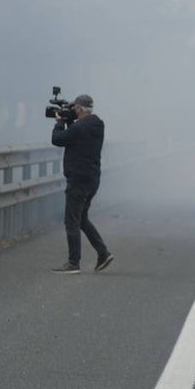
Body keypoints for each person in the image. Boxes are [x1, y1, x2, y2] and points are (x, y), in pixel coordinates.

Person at [50, 94, 114, 274]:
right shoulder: (97, 125)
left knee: (71, 221)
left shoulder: (78, 128)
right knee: (82, 218)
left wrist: (59, 122)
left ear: (79, 108)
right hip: (92, 179)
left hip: (77, 180)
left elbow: (58, 139)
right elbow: (75, 135)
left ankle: (73, 263)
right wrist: (70, 120)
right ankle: (103, 253)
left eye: (74, 108)